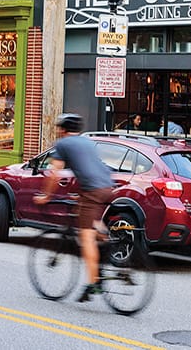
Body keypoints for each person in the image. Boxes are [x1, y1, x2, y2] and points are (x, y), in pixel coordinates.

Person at [33, 113, 115, 302]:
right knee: (91, 221)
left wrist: (46, 196)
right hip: (107, 186)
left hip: (93, 190)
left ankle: (93, 283)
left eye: (58, 128)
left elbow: (54, 174)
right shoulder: (87, 141)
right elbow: (88, 167)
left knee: (85, 237)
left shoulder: (62, 144)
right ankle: (107, 240)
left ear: (62, 130)